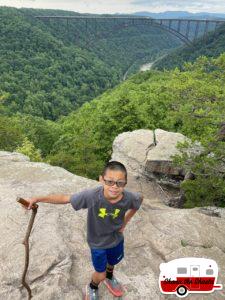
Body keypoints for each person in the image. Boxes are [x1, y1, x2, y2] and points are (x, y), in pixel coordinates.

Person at [26, 161, 143, 300]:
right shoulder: (92, 196)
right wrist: (38, 198)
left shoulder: (129, 197)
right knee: (100, 273)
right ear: (101, 179)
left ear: (125, 183)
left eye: (120, 183)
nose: (114, 187)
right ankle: (93, 286)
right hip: (98, 243)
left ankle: (109, 276)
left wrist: (125, 222)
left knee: (112, 262)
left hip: (116, 239)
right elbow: (65, 198)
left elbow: (139, 201)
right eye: (109, 181)